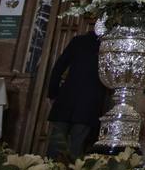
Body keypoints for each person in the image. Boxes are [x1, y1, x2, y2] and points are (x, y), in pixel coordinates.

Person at [45, 31, 106, 160]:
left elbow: (59, 67)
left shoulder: (79, 41)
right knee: (76, 146)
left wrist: (53, 93)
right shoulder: (109, 44)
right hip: (90, 101)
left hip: (67, 97)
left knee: (56, 142)